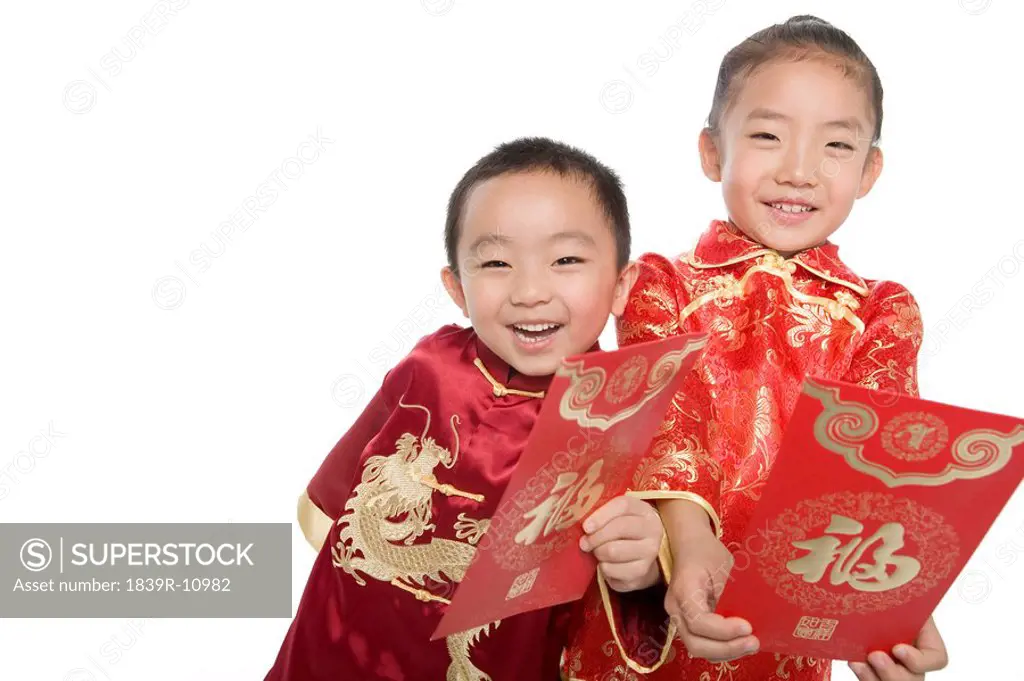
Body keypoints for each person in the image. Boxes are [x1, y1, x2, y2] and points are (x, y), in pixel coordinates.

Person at [563, 16, 949, 681]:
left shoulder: (881, 313)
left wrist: (898, 606)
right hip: (646, 605)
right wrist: (689, 540)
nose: (799, 171)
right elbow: (669, 423)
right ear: (713, 151)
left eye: (836, 145)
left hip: (783, 638)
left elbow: (880, 470)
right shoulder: (660, 282)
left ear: (869, 170)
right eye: (767, 136)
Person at [265, 137, 672, 680]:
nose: (530, 291)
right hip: (335, 651)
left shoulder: (620, 418)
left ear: (622, 285)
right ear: (457, 287)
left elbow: (622, 604)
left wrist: (646, 568)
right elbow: (336, 505)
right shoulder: (427, 366)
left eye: (566, 260)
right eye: (497, 262)